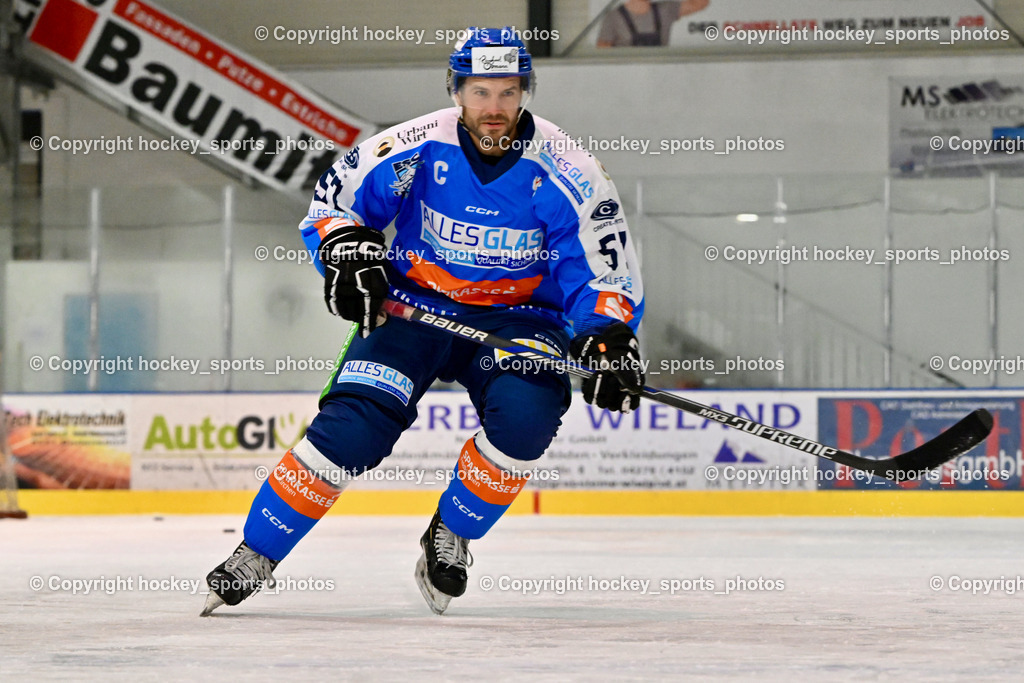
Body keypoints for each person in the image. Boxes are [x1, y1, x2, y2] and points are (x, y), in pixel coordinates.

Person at [201, 26, 645, 617]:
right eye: (480, 93)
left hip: (520, 320)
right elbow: (335, 205)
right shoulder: (410, 147)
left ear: (526, 93)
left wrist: (607, 336)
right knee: (353, 426)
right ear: (456, 91)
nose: (494, 109)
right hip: (416, 308)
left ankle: (452, 531)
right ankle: (258, 551)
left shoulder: (571, 172)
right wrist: (347, 252)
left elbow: (603, 270)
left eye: (508, 93)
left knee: (525, 418)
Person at [597, 0, 709, 47]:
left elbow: (701, 3)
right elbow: (602, 57)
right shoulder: (613, 17)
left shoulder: (665, 10)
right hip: (626, 83)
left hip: (659, 80)